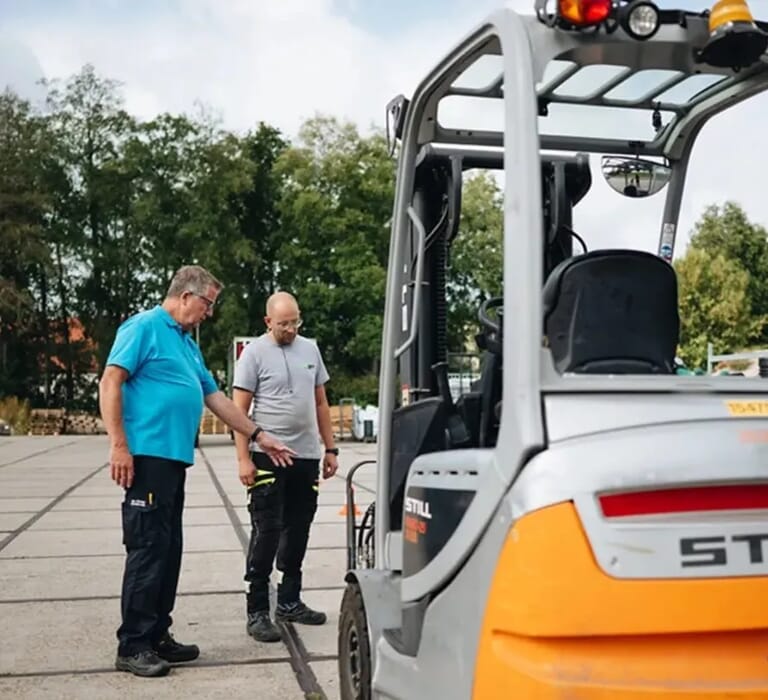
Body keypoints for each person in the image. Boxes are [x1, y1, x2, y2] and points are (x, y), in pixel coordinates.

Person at [99, 265, 295, 678]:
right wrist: (118, 444)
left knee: (168, 551)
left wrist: (260, 435)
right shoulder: (144, 327)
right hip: (146, 458)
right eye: (208, 303)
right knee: (147, 550)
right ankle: (132, 643)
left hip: (173, 462)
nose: (209, 312)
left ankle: (157, 635)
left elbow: (217, 400)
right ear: (186, 296)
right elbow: (110, 382)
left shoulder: (187, 344)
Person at [232, 291, 339, 642]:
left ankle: (290, 602)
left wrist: (331, 448)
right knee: (268, 529)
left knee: (299, 528)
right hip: (267, 455)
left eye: (295, 322)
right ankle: (258, 610)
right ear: (268, 322)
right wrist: (243, 458)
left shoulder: (311, 349)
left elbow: (321, 402)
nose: (291, 329)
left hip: (305, 456)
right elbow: (238, 412)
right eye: (283, 324)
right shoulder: (253, 354)